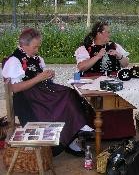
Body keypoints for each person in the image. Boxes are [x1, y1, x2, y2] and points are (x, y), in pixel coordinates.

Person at [2, 28, 94, 157]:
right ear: (24, 45)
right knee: (66, 96)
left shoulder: (36, 58)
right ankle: (75, 129)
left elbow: (40, 75)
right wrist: (39, 78)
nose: (37, 50)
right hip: (28, 97)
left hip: (41, 91)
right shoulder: (14, 61)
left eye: (38, 47)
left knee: (71, 93)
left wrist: (48, 75)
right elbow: (15, 88)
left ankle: (75, 130)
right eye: (35, 47)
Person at [74, 21, 136, 139]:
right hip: (93, 79)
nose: (109, 34)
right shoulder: (85, 48)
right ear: (98, 33)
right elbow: (81, 67)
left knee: (122, 95)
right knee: (100, 98)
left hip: (113, 78)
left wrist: (119, 55)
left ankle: (123, 133)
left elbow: (126, 64)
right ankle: (98, 133)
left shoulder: (115, 46)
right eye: (107, 32)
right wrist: (97, 56)